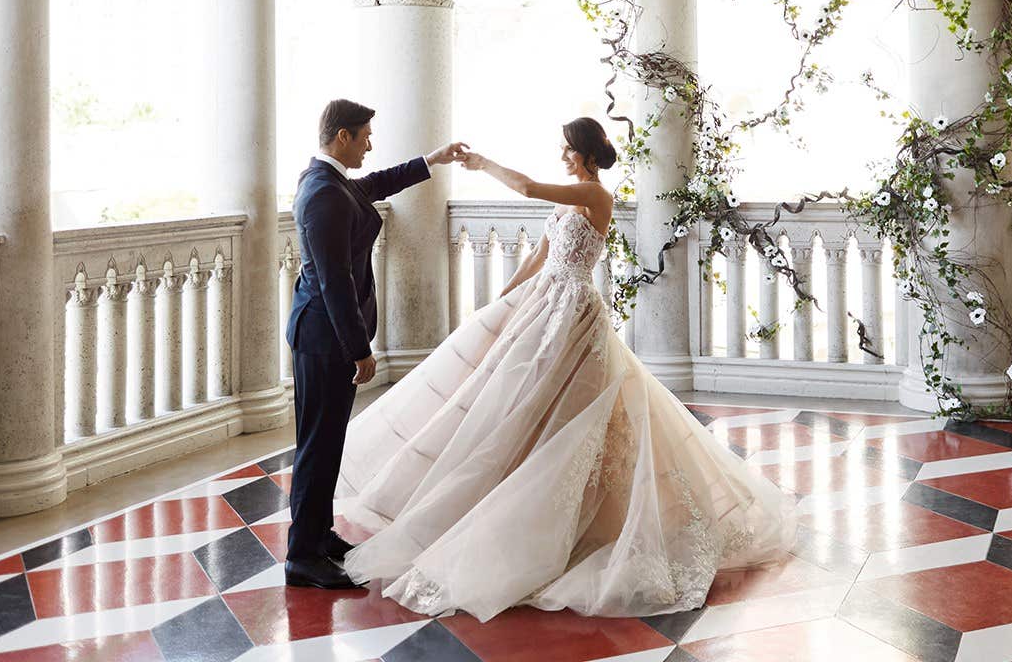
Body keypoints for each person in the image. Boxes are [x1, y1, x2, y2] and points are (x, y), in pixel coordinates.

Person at [336, 116, 797, 619]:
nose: (562, 156)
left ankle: (579, 519)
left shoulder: (596, 196)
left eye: (566, 149)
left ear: (584, 153)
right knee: (515, 406)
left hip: (574, 310)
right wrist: (505, 300)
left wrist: (482, 163)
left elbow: (530, 188)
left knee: (571, 412)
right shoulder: (571, 195)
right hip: (543, 303)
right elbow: (541, 252)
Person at [284, 97, 468, 589]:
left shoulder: (331, 181)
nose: (370, 144)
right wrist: (359, 349)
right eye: (365, 136)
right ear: (342, 136)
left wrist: (433, 159)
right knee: (317, 446)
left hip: (325, 334)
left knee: (325, 443)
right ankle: (302, 556)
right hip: (323, 337)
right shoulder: (322, 193)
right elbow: (334, 280)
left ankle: (318, 536)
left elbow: (377, 184)